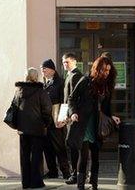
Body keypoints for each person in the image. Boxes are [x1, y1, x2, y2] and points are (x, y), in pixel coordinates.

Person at [66, 56, 121, 190]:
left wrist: (112, 116)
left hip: (97, 125)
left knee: (96, 157)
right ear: (97, 69)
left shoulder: (107, 85)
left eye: (108, 70)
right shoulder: (85, 81)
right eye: (103, 70)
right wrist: (73, 113)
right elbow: (71, 98)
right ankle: (80, 186)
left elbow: (106, 107)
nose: (106, 73)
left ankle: (94, 185)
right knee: (83, 156)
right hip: (83, 123)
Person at [12, 67, 53, 189]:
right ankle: (36, 182)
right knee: (36, 156)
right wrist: (46, 123)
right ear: (36, 77)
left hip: (23, 129)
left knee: (24, 156)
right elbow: (47, 109)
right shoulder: (41, 91)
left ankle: (26, 182)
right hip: (37, 128)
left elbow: (14, 108)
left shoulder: (19, 91)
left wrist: (17, 125)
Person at [41, 59, 71, 179]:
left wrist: (62, 118)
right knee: (47, 147)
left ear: (52, 70)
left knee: (59, 148)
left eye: (45, 68)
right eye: (41, 68)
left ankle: (66, 172)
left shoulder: (60, 83)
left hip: (57, 120)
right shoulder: (44, 83)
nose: (42, 70)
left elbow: (65, 101)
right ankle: (52, 171)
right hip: (46, 121)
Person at [61, 52, 83, 185]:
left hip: (74, 118)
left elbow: (73, 99)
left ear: (74, 61)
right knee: (71, 145)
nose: (65, 64)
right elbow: (66, 99)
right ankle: (75, 174)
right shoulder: (69, 75)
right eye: (63, 62)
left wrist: (69, 115)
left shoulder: (76, 76)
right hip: (69, 116)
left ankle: (76, 175)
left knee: (74, 146)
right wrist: (62, 116)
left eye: (67, 62)